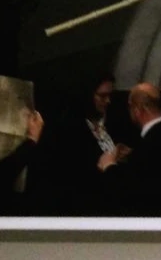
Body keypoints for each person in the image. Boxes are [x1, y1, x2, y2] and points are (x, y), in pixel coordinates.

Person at [98, 83, 161, 216]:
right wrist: (133, 155)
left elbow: (132, 191)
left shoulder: (149, 146)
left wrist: (109, 166)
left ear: (137, 109)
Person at [44, 72, 131, 215]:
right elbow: (70, 175)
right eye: (102, 96)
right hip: (87, 207)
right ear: (88, 95)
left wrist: (122, 156)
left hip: (113, 204)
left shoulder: (113, 122)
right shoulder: (69, 129)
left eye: (110, 96)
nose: (108, 101)